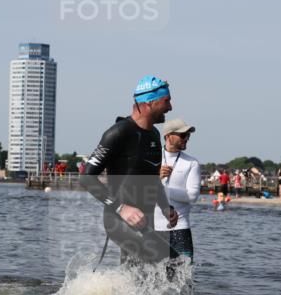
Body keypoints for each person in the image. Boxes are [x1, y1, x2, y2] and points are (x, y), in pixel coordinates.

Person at [80, 75, 178, 265]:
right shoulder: (118, 132)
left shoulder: (154, 134)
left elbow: (152, 178)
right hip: (119, 219)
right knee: (173, 264)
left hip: (145, 219)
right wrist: (121, 208)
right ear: (149, 103)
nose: (170, 107)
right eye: (166, 101)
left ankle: (106, 286)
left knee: (136, 274)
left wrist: (165, 207)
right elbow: (86, 178)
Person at [155, 118, 201, 261]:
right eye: (183, 135)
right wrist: (155, 178)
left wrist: (160, 189)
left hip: (180, 229)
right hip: (152, 228)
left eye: (188, 135)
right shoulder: (152, 159)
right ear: (168, 136)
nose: (186, 138)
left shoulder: (192, 163)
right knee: (150, 275)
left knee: (184, 275)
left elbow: (192, 196)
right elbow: (137, 189)